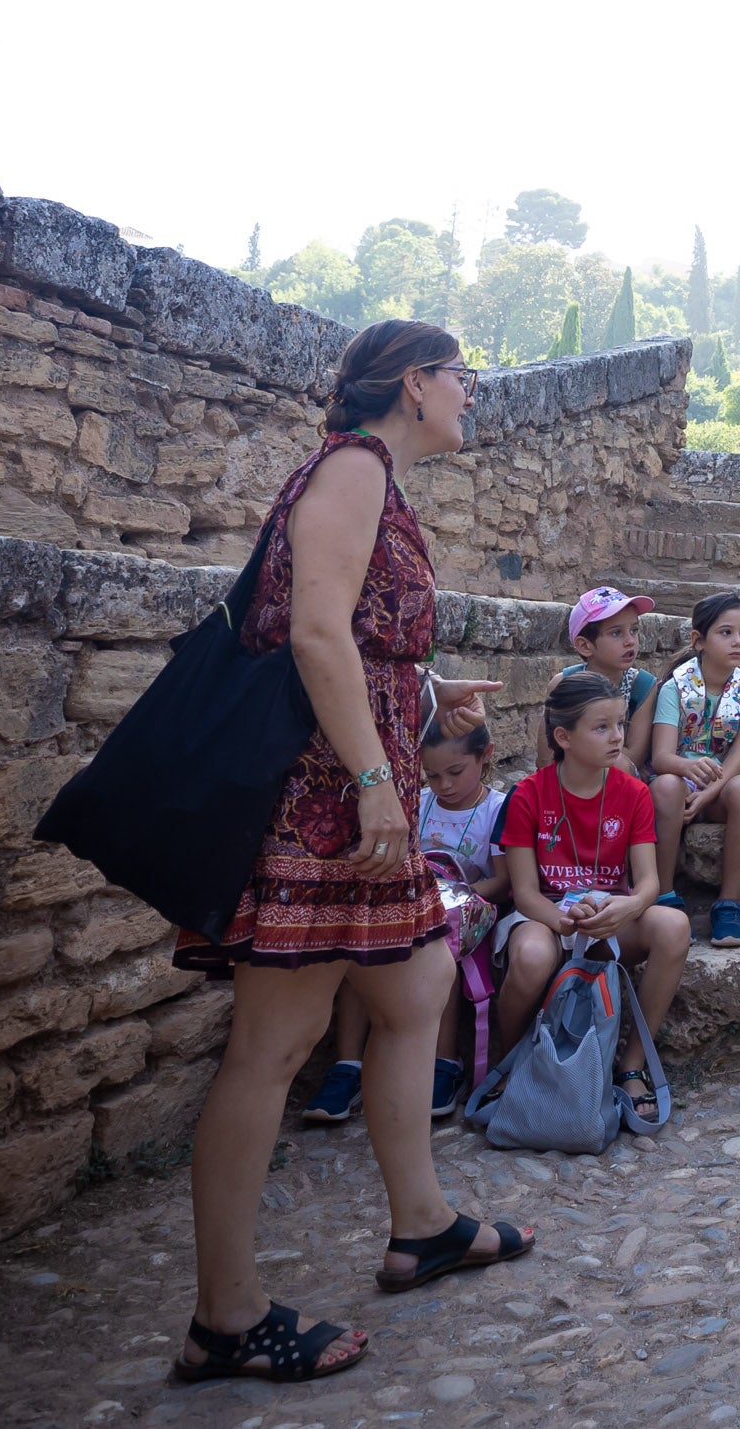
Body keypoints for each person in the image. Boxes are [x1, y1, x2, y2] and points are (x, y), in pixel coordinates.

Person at [168, 320, 526, 1387]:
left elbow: (357, 648)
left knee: (415, 989)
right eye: (461, 376)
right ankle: (223, 1316)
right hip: (326, 806)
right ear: (412, 384)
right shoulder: (354, 467)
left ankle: (419, 1221)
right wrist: (377, 780)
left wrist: (424, 694)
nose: (471, 393)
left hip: (357, 795)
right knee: (272, 1045)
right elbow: (316, 633)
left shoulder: (375, 479)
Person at [301, 712, 510, 1125]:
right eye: (432, 775)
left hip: (463, 913)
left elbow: (504, 881)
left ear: (485, 756)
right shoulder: (417, 801)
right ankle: (347, 1066)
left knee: (437, 945)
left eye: (455, 772)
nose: (443, 785)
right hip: (410, 903)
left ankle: (444, 1062)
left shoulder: (498, 809)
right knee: (361, 944)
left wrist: (452, 901)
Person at [493, 668, 691, 1079]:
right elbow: (525, 892)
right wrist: (563, 922)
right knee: (531, 958)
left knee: (673, 926)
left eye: (620, 724)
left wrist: (630, 905)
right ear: (563, 737)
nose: (618, 736)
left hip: (607, 917)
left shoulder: (633, 793)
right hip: (545, 917)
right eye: (601, 727)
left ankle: (632, 1066)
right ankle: (506, 1063)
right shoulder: (528, 794)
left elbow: (649, 881)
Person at [649, 592, 740, 948]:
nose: (738, 642)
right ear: (698, 640)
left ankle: (729, 905)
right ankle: (664, 895)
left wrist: (709, 795)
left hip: (721, 787)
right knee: (667, 787)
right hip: (680, 782)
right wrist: (689, 767)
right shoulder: (676, 686)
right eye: (726, 633)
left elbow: (738, 758)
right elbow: (661, 757)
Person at [563, 586, 660, 777]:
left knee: (619, 764)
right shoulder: (564, 685)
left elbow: (634, 756)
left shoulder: (641, 686)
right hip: (570, 777)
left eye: (634, 630)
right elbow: (546, 756)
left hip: (619, 777)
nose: (630, 641)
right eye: (616, 633)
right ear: (585, 645)